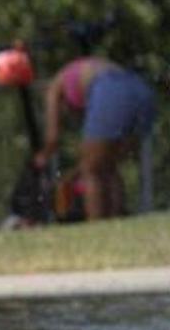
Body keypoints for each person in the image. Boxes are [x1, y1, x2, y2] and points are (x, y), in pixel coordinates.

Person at [34, 56, 156, 220]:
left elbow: (53, 138)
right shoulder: (86, 72)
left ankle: (96, 224)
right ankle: (117, 222)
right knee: (108, 168)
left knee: (91, 172)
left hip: (111, 90)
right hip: (142, 91)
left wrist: (42, 157)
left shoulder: (54, 89)